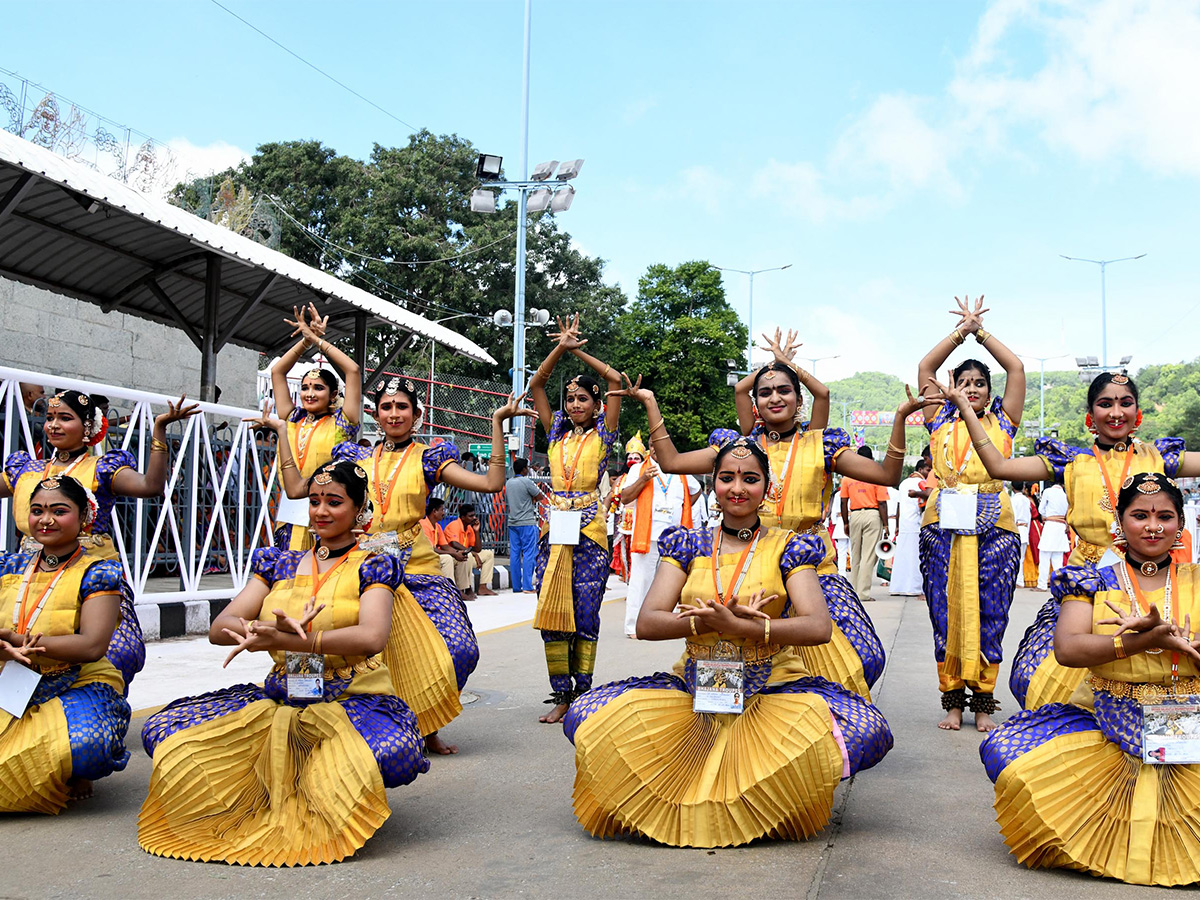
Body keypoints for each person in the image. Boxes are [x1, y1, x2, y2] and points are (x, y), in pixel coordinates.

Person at [562, 437, 892, 847]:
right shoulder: (687, 544)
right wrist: (705, 625)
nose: (738, 488)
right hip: (694, 686)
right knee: (586, 714)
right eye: (727, 478)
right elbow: (648, 622)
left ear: (767, 488)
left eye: (750, 478)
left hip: (771, 688)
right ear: (713, 484)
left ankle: (765, 791)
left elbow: (818, 627)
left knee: (867, 730)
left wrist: (750, 629)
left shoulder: (789, 545)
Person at [138, 460, 427, 866]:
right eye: (314, 501)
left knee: (392, 753)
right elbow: (221, 627)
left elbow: (371, 636)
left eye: (334, 502)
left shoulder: (373, 564)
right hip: (281, 694)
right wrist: (260, 630)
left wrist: (300, 640)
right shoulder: (279, 562)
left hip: (350, 696)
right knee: (166, 734)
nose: (321, 511)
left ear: (360, 510)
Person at [614, 328, 928, 701]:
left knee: (855, 658)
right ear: (755, 403)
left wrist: (899, 419)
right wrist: (650, 403)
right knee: (740, 661)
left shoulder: (821, 445)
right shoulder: (738, 449)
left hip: (810, 568)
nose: (774, 397)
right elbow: (670, 461)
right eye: (765, 391)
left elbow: (889, 476)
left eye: (784, 390)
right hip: (746, 565)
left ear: (799, 400)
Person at [980, 473, 1200, 886]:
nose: (1153, 526)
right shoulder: (1091, 579)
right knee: (1012, 762)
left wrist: (1187, 645)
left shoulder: (1197, 581)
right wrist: (1140, 642)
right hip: (1107, 716)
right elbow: (1068, 649)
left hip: (1188, 717)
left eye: (1165, 516)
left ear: (1180, 524)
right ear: (1119, 522)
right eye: (1139, 515)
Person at [942, 369, 1197, 710]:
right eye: (1106, 404)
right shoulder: (1071, 461)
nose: (1116, 412)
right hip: (1089, 581)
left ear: (1138, 413)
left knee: (1163, 657)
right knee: (1041, 676)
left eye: (1126, 403)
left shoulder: (1159, 457)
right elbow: (999, 467)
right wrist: (965, 410)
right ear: (1091, 416)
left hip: (1152, 577)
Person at [317, 378, 531, 754]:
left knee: (460, 649)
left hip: (418, 568)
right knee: (381, 655)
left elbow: (492, 482)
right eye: (386, 407)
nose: (394, 413)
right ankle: (390, 731)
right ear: (376, 414)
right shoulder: (354, 457)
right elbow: (312, 496)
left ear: (416, 415)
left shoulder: (428, 457)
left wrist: (496, 424)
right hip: (365, 568)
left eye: (402, 407)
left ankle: (428, 721)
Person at [1, 388, 197, 686]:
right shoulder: (27, 470)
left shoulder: (102, 468)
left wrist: (158, 430)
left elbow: (149, 486)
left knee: (111, 651)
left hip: (87, 571)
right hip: (30, 569)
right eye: (50, 417)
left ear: (88, 427)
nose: (53, 425)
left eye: (65, 418)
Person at [918, 295, 1025, 732]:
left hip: (994, 527)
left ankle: (984, 701)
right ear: (952, 385)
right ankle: (952, 702)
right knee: (945, 613)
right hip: (941, 526)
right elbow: (924, 367)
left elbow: (1016, 368)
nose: (973, 389)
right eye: (964, 382)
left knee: (991, 611)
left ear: (989, 389)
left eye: (980, 382)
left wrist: (980, 332)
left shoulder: (1004, 421)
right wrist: (958, 333)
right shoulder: (938, 418)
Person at [0, 475, 135, 812]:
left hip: (75, 679)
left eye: (58, 511)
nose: (45, 520)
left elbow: (92, 646)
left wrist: (15, 640)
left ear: (83, 518)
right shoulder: (8, 565)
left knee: (88, 744)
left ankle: (74, 770)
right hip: (10, 679)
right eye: (37, 511)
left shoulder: (99, 571)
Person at [527, 314, 623, 725]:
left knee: (584, 613)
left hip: (590, 532)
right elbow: (536, 386)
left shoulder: (604, 434)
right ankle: (560, 694)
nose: (574, 405)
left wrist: (579, 350)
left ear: (597, 404)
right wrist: (559, 349)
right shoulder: (555, 433)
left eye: (583, 399)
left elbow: (617, 379)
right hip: (554, 530)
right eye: (570, 400)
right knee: (551, 611)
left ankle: (582, 694)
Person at [268, 303, 362, 552]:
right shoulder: (293, 417)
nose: (309, 393)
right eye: (305, 387)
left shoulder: (342, 423)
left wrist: (320, 341)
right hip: (291, 512)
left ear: (333, 395)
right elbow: (277, 371)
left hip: (328, 510)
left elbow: (353, 370)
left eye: (318, 388)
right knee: (287, 577)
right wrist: (306, 342)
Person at [619, 443, 700, 637]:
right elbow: (625, 496)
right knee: (641, 581)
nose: (658, 449)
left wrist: (683, 506)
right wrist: (644, 479)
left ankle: (664, 626)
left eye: (661, 445)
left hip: (674, 539)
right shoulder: (638, 468)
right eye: (654, 445)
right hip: (647, 535)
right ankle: (633, 627)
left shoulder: (679, 469)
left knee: (669, 583)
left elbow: (696, 490)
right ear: (650, 447)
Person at [840, 446, 891, 603]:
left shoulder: (847, 477)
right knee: (868, 556)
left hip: (854, 514)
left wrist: (846, 522)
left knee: (855, 555)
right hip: (872, 514)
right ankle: (863, 593)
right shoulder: (876, 475)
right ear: (872, 459)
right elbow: (882, 503)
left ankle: (853, 591)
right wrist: (886, 525)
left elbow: (843, 501)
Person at [891, 457, 931, 596]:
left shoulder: (903, 483)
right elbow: (923, 503)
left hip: (904, 524)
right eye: (927, 470)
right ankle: (914, 588)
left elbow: (899, 505)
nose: (929, 472)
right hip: (915, 523)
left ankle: (898, 586)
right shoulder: (922, 483)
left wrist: (897, 524)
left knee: (902, 556)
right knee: (915, 557)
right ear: (920, 470)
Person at [442, 504, 496, 600]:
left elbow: (477, 549)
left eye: (474, 515)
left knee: (488, 554)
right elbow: (454, 544)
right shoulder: (454, 525)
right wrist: (472, 553)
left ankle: (483, 587)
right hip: (455, 556)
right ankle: (467, 588)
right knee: (469, 556)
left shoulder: (470, 527)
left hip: (467, 554)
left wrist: (476, 531)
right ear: (463, 517)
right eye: (471, 516)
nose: (474, 518)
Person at [505, 457, 542, 594]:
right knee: (529, 553)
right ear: (524, 469)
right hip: (526, 521)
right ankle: (527, 586)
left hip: (512, 521)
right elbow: (539, 496)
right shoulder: (526, 481)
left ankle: (516, 586)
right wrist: (531, 499)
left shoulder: (509, 483)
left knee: (514, 554)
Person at [1036, 480, 1069, 590]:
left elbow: (1041, 509)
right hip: (1061, 526)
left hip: (1050, 525)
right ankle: (1058, 586)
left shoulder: (1048, 491)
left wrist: (1047, 515)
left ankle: (1042, 584)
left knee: (1044, 557)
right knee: (1058, 559)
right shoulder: (1065, 495)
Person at [1010, 481, 1037, 588]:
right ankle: (1019, 581)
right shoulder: (1026, 500)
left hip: (1016, 528)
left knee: (1015, 558)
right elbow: (1029, 517)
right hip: (1025, 529)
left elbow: (1013, 516)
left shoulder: (1013, 500)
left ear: (1012, 487)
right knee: (1021, 558)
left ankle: (1018, 580)